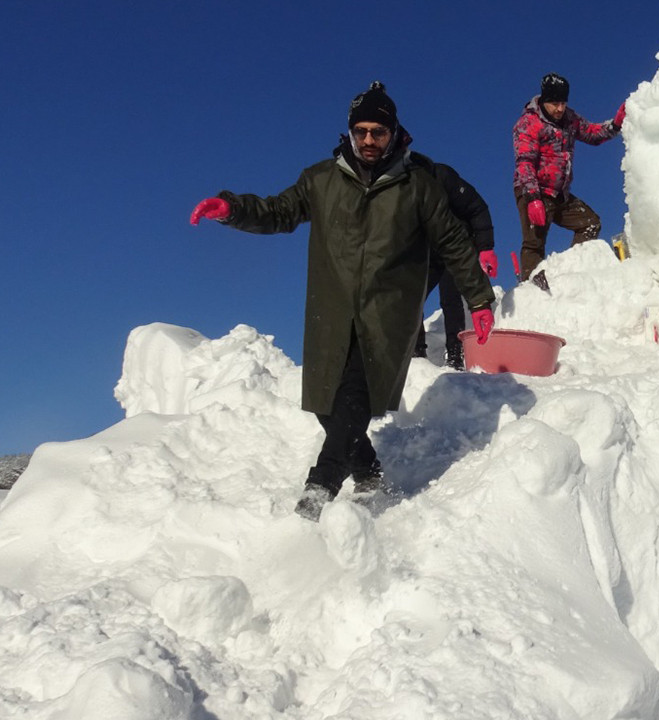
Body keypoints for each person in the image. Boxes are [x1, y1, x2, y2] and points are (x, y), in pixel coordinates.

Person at [189, 81, 496, 521]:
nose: (369, 141)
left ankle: (318, 492)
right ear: (349, 133)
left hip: (386, 315)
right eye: (362, 132)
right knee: (325, 404)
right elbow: (279, 211)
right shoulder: (320, 180)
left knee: (353, 397)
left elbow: (451, 241)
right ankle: (369, 472)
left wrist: (479, 300)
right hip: (331, 312)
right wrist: (232, 208)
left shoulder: (418, 186)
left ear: (394, 133)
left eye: (379, 132)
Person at [513, 72, 626, 286]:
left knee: (590, 223)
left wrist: (616, 125)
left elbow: (592, 133)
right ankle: (530, 292)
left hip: (559, 193)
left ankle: (572, 272)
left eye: (563, 103)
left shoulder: (569, 120)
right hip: (534, 191)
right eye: (555, 103)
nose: (560, 109)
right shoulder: (529, 123)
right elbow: (524, 162)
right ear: (545, 101)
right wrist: (533, 197)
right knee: (534, 243)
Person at [412, 161, 499, 370]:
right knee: (412, 297)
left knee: (450, 300)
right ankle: (416, 352)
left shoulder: (442, 177)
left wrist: (486, 247)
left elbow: (477, 208)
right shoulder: (402, 189)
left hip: (456, 247)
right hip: (428, 250)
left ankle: (455, 354)